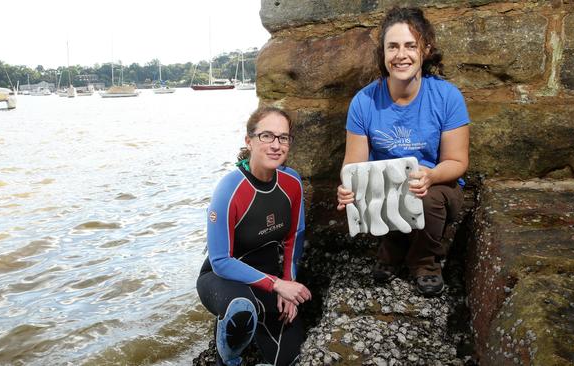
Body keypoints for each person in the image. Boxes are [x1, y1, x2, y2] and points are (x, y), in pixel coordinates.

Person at [336, 6, 470, 297]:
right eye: (392, 46)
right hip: (387, 189)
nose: (401, 55)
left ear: (425, 50)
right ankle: (392, 247)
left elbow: (458, 162)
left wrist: (432, 175)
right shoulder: (364, 101)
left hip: (435, 187)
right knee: (370, 191)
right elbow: (353, 166)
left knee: (428, 197)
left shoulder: (447, 96)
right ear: (383, 54)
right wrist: (347, 189)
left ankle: (425, 262)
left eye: (411, 45)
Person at [197, 106, 312, 366]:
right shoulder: (229, 190)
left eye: (283, 138)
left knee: (291, 358)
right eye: (267, 136)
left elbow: (295, 236)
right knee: (241, 308)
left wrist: (288, 286)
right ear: (249, 141)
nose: (276, 145)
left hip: (268, 279)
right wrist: (277, 284)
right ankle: (228, 358)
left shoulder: (291, 182)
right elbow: (220, 261)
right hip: (221, 279)